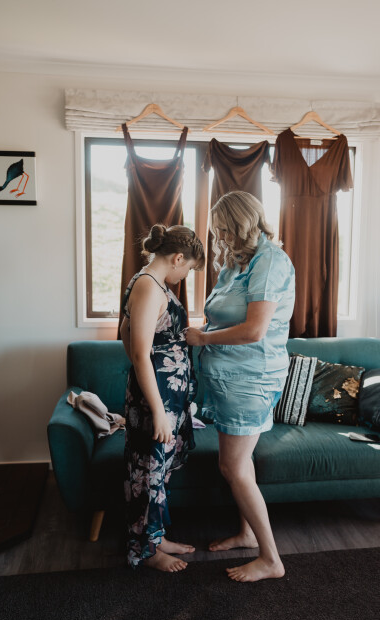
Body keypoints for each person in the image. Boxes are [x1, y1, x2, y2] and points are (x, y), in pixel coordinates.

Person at [186, 191, 295, 583]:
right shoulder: (236, 263)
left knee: (232, 466)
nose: (219, 238)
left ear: (242, 223)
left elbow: (254, 330)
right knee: (238, 463)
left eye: (224, 229)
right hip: (228, 379)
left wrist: (203, 339)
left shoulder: (270, 261)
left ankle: (271, 559)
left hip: (251, 379)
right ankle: (247, 533)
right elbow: (221, 316)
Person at [121, 224, 205, 572]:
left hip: (167, 398)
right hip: (157, 401)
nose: (185, 276)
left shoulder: (152, 283)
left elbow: (126, 332)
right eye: (189, 269)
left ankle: (156, 537)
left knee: (159, 471)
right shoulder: (147, 286)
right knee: (149, 472)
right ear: (178, 258)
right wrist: (156, 408)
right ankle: (147, 550)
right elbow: (139, 353)